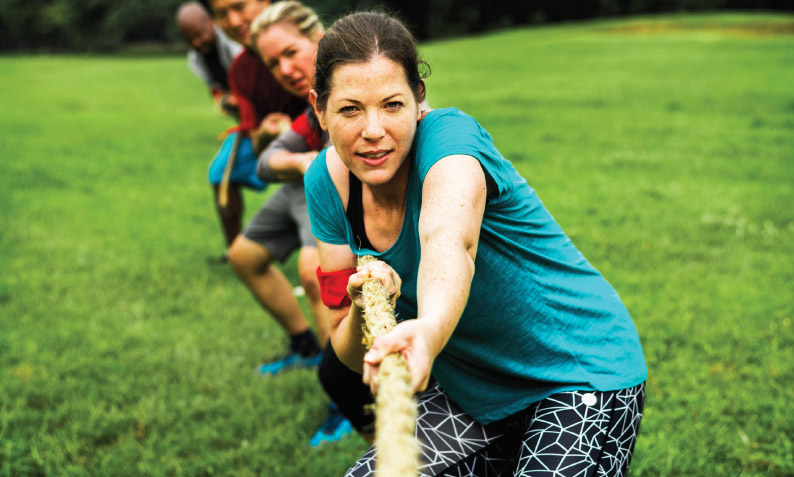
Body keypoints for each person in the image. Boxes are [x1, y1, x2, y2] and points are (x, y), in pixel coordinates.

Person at [304, 11, 648, 476]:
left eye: (392, 105)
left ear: (419, 100)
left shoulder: (451, 141)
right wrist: (364, 306)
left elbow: (450, 240)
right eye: (350, 109)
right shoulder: (327, 186)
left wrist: (428, 329)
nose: (372, 130)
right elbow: (343, 340)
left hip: (578, 372)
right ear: (319, 108)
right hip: (475, 391)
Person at [229, 1, 373, 446]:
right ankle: (307, 348)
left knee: (316, 275)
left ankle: (346, 394)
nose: (285, 68)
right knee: (243, 255)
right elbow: (266, 162)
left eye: (291, 52)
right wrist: (301, 159)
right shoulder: (312, 108)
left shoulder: (360, 86)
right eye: (273, 63)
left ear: (317, 38)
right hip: (306, 186)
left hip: (343, 196)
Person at [206, 0, 306, 257]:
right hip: (292, 153)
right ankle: (233, 249)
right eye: (221, 14)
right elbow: (259, 143)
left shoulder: (315, 45)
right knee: (219, 173)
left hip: (329, 152)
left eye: (239, 7)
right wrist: (267, 133)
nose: (234, 21)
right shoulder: (241, 69)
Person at [176, 1, 241, 118]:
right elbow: (216, 92)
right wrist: (226, 101)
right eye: (189, 39)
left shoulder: (234, 42)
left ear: (212, 22)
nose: (196, 43)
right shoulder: (195, 59)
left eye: (199, 35)